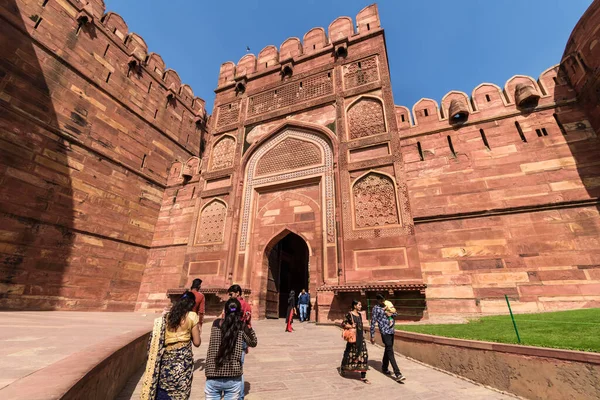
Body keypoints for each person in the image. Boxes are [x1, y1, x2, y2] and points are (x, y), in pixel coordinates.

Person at [141, 291, 201, 400]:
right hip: (183, 362)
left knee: (163, 389)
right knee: (179, 394)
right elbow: (197, 343)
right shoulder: (192, 316)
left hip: (167, 359)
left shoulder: (167, 317)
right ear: (191, 304)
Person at [205, 298, 258, 400]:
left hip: (213, 373)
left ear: (224, 311)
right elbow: (253, 342)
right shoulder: (241, 327)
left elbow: (225, 324)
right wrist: (248, 326)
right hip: (233, 374)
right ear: (240, 312)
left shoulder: (215, 324)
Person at [370, 294, 405, 382]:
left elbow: (396, 313)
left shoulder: (388, 305)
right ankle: (398, 373)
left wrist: (391, 314)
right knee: (390, 351)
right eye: (380, 300)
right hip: (384, 331)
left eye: (383, 299)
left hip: (391, 330)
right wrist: (372, 335)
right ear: (377, 300)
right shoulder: (376, 309)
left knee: (388, 349)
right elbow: (373, 322)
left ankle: (384, 367)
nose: (382, 301)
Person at [227, 284, 251, 400]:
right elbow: (249, 324)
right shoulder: (247, 306)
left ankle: (229, 391)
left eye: (231, 294)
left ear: (237, 293)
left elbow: (225, 321)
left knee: (228, 365)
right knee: (239, 367)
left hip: (231, 336)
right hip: (242, 338)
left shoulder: (231, 305)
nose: (230, 296)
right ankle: (240, 395)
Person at [340, 300, 370, 384]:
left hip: (360, 338)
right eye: (359, 305)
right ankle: (343, 368)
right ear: (355, 306)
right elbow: (343, 324)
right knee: (348, 353)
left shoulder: (360, 315)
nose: (360, 306)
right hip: (353, 338)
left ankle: (363, 376)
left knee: (364, 355)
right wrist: (350, 326)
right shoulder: (349, 315)